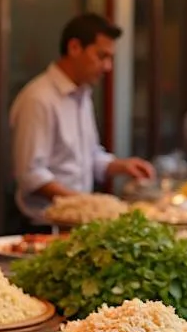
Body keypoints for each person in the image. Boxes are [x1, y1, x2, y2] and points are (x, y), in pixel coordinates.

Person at [10, 13, 155, 224]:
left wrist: (122, 166)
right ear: (75, 48)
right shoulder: (38, 98)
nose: (107, 67)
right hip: (44, 225)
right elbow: (31, 175)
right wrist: (86, 204)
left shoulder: (82, 95)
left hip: (78, 221)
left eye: (110, 58)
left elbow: (90, 156)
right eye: (101, 56)